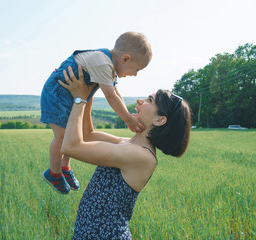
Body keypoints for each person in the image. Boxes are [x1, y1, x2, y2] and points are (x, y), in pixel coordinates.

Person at [58, 66, 191, 239]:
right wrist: (90, 91)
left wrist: (79, 99)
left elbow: (71, 147)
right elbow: (88, 135)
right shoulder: (126, 143)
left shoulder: (141, 156)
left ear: (159, 120)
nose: (139, 101)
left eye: (149, 100)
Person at [41, 32, 152, 194]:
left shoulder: (109, 66)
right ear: (125, 59)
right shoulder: (103, 63)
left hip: (70, 95)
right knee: (63, 136)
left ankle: (64, 167)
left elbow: (116, 93)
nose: (134, 74)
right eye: (137, 69)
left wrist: (128, 115)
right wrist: (128, 119)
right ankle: (53, 173)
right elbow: (111, 96)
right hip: (57, 94)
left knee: (74, 132)